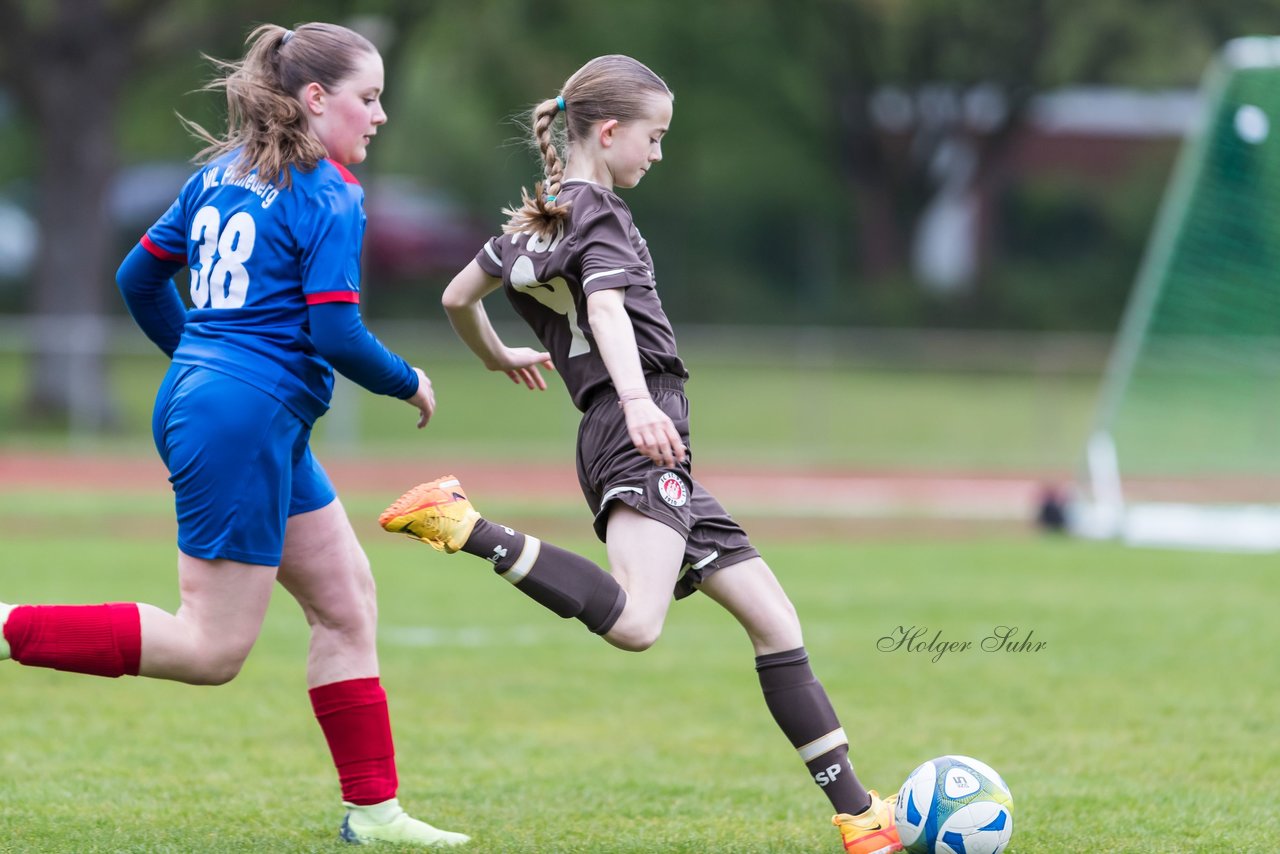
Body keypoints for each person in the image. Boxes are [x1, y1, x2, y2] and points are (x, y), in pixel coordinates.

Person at [379, 55, 901, 854]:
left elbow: (456, 296)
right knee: (636, 623)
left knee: (773, 620)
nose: (657, 154)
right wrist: (634, 399)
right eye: (654, 137)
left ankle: (862, 818)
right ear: (611, 131)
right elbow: (606, 305)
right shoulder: (600, 212)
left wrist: (494, 355)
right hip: (635, 424)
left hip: (629, 432)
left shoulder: (540, 218)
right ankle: (463, 523)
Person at [0, 23, 468, 848]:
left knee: (347, 604)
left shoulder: (220, 177)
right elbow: (336, 334)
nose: (381, 115)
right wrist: (409, 381)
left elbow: (137, 278)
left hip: (243, 412)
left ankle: (375, 813)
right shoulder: (329, 193)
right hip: (241, 416)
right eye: (369, 97)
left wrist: (197, 359)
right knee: (211, 647)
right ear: (316, 99)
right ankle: (6, 627)